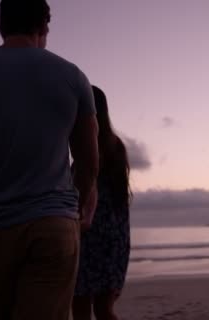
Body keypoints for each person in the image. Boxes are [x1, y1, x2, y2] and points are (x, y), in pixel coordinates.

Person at [0, 1, 99, 319]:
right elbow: (89, 161)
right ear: (44, 28)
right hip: (53, 227)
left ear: (1, 26)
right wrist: (83, 209)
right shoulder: (73, 77)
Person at [72, 86, 132, 320]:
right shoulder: (115, 144)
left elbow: (86, 190)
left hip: (89, 236)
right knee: (104, 310)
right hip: (114, 238)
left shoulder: (86, 144)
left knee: (81, 310)